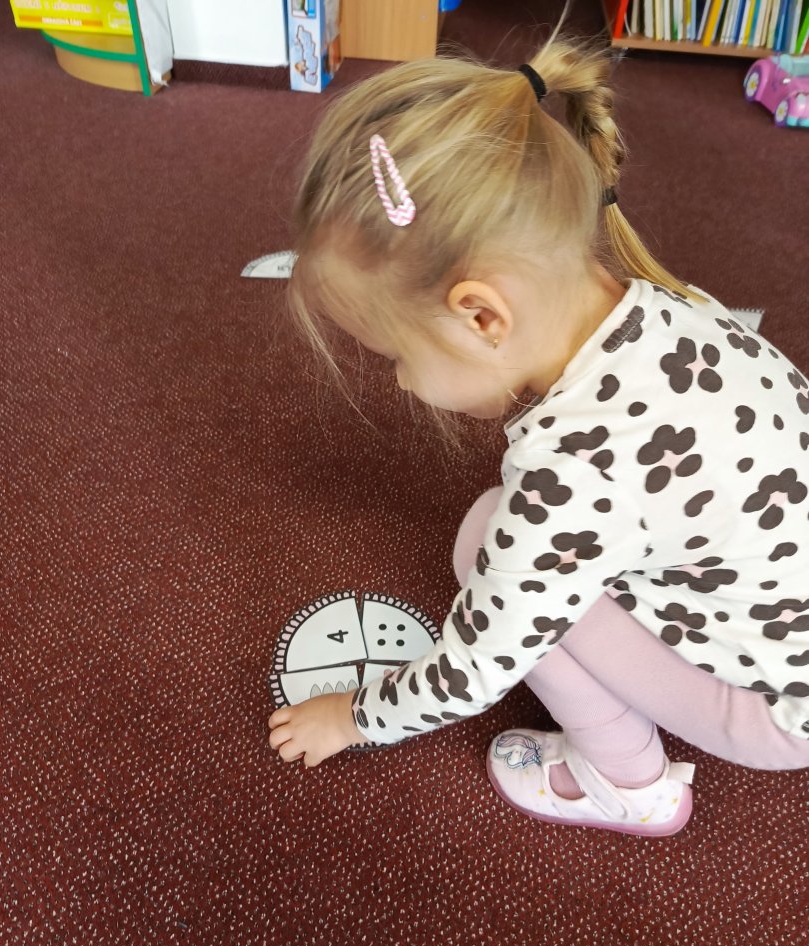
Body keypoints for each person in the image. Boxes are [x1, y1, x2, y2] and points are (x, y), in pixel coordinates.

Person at [268, 36, 809, 835]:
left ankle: (628, 781)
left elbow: (475, 667)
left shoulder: (575, 477)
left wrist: (352, 716)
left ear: (483, 317)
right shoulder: (672, 301)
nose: (403, 382)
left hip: (777, 707)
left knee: (483, 543)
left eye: (397, 357)